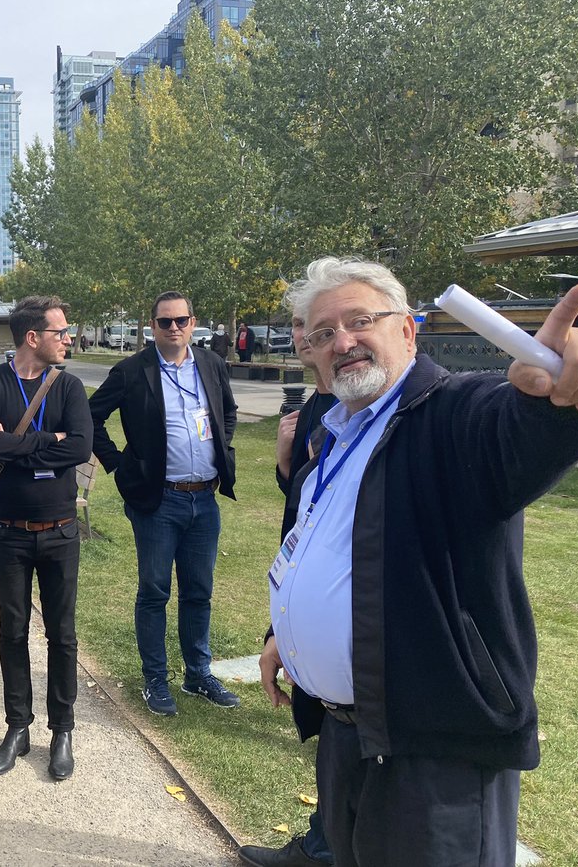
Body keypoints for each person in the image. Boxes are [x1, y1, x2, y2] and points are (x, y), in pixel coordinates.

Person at [259, 257, 578, 867]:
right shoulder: (337, 432)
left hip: (434, 753)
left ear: (407, 330)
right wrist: (284, 635)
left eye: (359, 321)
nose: (342, 341)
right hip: (349, 738)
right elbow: (317, 544)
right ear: (312, 356)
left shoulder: (451, 413)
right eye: (323, 334)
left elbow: (511, 433)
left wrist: (553, 402)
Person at [88, 292, 240, 717]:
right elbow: (90, 414)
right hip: (158, 501)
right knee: (154, 592)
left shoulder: (210, 364)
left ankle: (198, 673)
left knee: (199, 592)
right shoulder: (132, 370)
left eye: (182, 320)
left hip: (204, 499)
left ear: (193, 323)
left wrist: (222, 447)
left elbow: (227, 411)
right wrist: (118, 463)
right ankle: (155, 680)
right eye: (165, 322)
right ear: (151, 327)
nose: (174, 328)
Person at [0, 295, 93, 780]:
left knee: (62, 635)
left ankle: (62, 730)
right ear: (32, 337)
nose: (68, 339)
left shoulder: (70, 387)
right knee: (12, 631)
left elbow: (80, 446)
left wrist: (22, 446)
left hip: (60, 530)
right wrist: (49, 440)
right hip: (9, 533)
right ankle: (18, 727)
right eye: (61, 331)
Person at [240, 315, 335, 867]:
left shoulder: (359, 409)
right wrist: (284, 462)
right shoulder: (315, 410)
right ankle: (322, 843)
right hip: (303, 579)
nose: (304, 338)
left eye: (314, 329)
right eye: (301, 327)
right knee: (329, 730)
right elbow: (302, 498)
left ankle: (323, 846)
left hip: (348, 601)